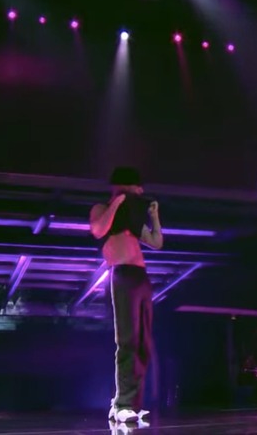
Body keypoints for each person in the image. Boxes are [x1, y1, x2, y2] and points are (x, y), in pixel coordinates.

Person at [89, 167, 163, 423]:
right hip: (121, 275)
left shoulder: (131, 219)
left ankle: (131, 403)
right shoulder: (101, 209)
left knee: (143, 343)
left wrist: (154, 217)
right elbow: (98, 230)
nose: (141, 192)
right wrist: (117, 201)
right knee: (128, 341)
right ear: (124, 187)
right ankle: (121, 403)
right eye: (137, 187)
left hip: (141, 277)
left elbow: (156, 242)